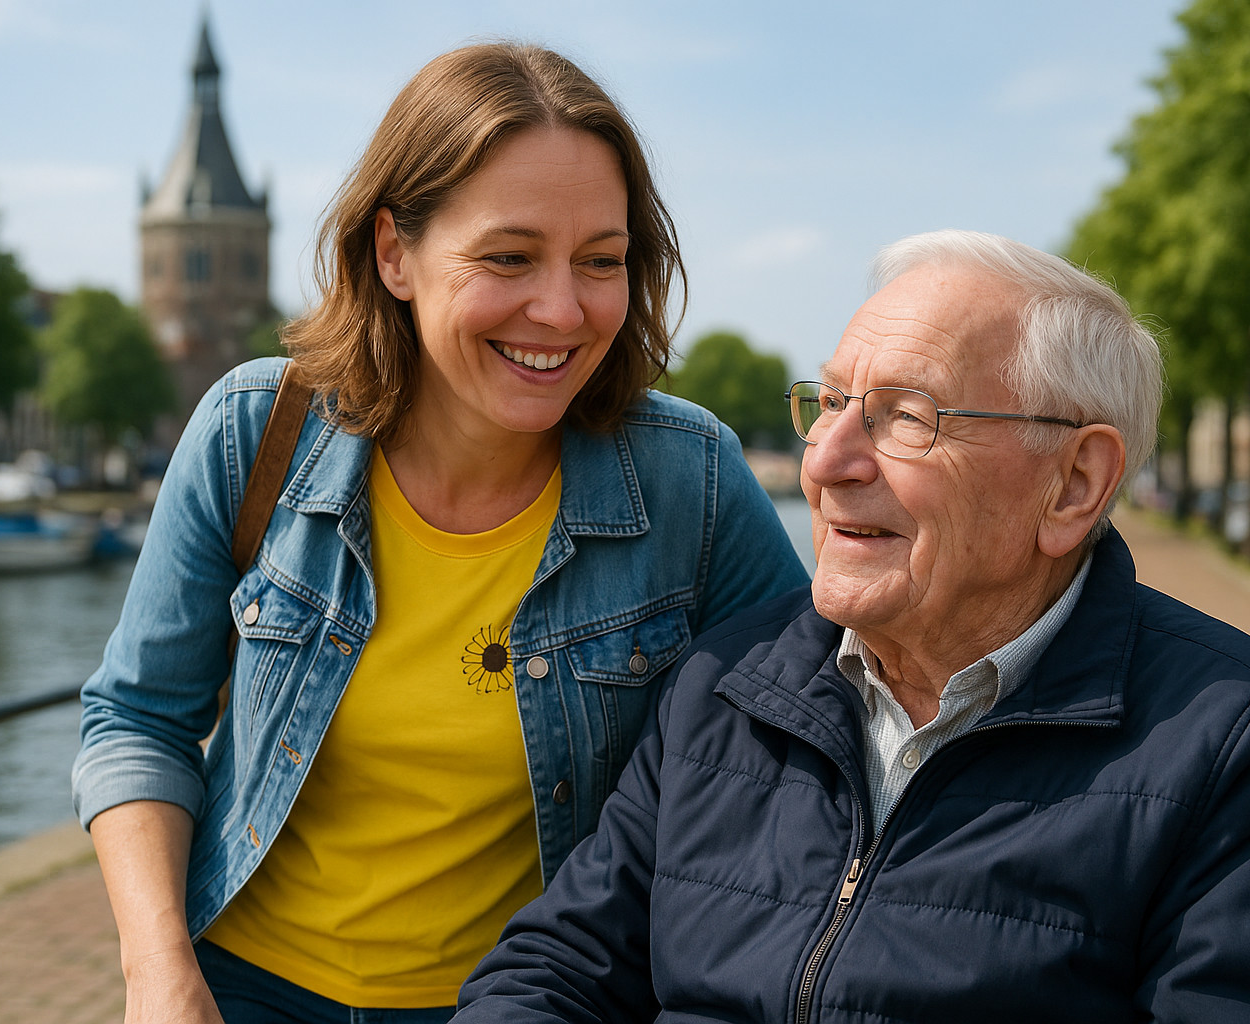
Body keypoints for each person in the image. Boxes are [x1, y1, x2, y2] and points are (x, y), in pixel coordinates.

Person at [72, 42, 808, 1024]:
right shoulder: (253, 432)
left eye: (601, 260)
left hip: (521, 1003)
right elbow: (137, 719)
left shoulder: (695, 481)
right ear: (394, 254)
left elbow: (811, 749)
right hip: (238, 987)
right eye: (509, 257)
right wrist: (159, 973)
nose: (562, 309)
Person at [453, 230, 1250, 1022]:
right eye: (830, 404)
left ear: (1075, 484)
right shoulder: (723, 680)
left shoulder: (1231, 740)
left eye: (908, 417)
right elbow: (560, 966)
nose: (827, 461)